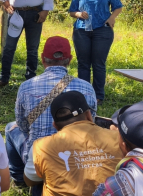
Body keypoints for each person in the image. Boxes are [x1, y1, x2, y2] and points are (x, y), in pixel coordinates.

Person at [5, 36, 97, 186]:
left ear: (42, 58)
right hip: (77, 157)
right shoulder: (86, 87)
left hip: (38, 159)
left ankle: (19, 179)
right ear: (70, 59)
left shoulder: (27, 86)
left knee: (11, 127)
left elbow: (22, 124)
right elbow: (90, 123)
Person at [67, 0, 123, 103]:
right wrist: (78, 14)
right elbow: (72, 11)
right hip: (82, 30)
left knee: (98, 63)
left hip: (102, 31)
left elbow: (118, 7)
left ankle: (98, 96)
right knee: (83, 63)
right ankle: (84, 95)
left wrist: (112, 18)